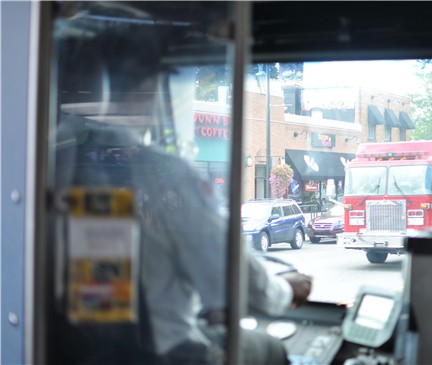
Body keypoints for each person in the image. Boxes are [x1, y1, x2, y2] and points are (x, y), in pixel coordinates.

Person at [52, 4, 312, 365]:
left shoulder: (41, 163)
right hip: (155, 355)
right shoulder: (162, 174)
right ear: (146, 86)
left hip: (66, 350)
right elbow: (230, 280)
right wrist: (286, 289)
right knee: (267, 348)